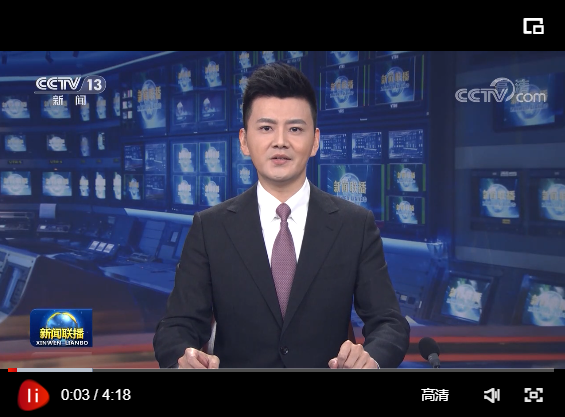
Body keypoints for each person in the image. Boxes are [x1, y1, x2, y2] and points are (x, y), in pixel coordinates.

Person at [153, 62, 410, 369]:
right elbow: (175, 327)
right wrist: (183, 358)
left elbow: (390, 323)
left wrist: (371, 359)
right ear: (244, 141)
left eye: (295, 129)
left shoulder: (354, 225)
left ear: (315, 141)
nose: (280, 141)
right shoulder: (210, 228)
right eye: (266, 128)